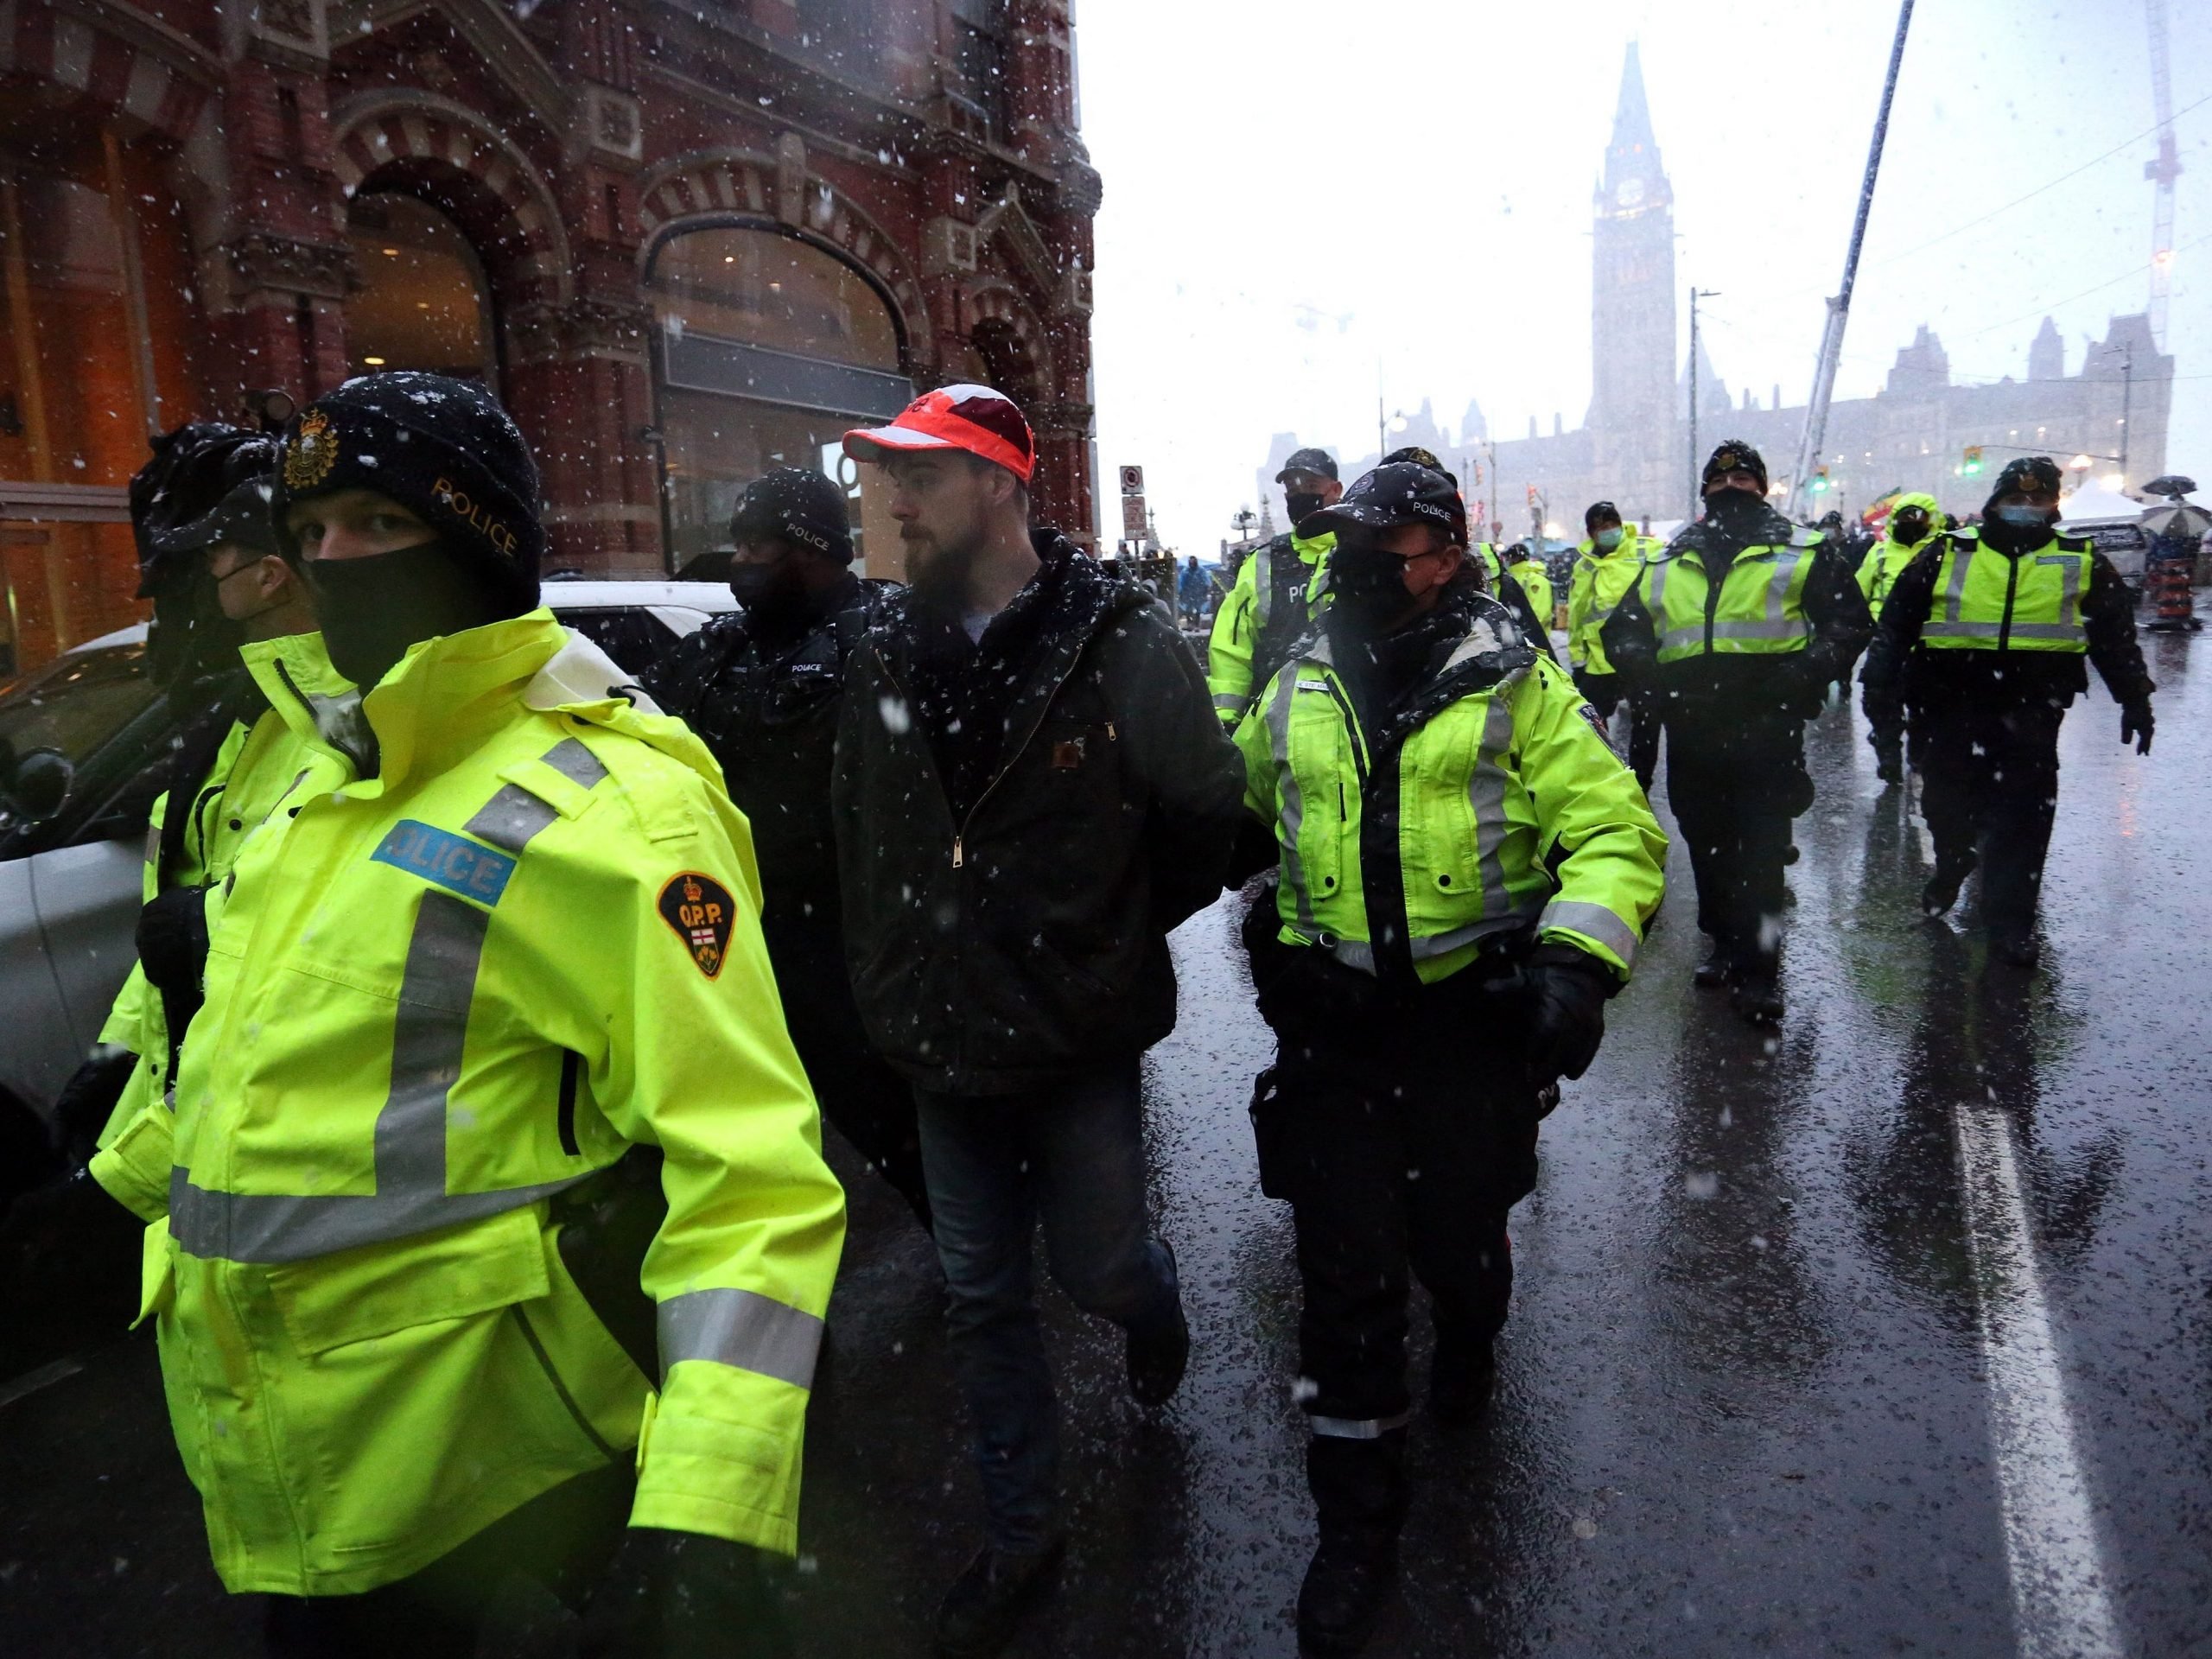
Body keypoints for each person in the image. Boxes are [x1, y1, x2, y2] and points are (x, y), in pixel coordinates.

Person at [139, 372, 846, 1656]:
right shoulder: (319, 757)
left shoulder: (611, 806)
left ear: (477, 539)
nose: (332, 559)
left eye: (377, 521)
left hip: (489, 1458)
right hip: (284, 1444)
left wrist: (710, 1509)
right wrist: (126, 1147)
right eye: (310, 535)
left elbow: (750, 1178)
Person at [832, 384, 1243, 1657]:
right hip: (940, 1040)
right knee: (980, 1295)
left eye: (919, 475)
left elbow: (1215, 816)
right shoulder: (882, 641)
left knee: (1099, 1264)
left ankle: (1152, 1308)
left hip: (1074, 1038)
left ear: (1001, 486)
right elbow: (861, 824)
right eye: (883, 475)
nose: (890, 500)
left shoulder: (1113, 633)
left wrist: (1099, 934)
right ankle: (1023, 1533)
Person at [1234, 461, 1666, 1656]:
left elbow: (1615, 833)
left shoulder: (1514, 674)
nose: (1382, 565)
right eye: (1367, 544)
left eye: (1408, 546)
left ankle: (1472, 1327)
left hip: (1470, 1026)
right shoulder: (1302, 671)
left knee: (1458, 1245)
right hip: (1333, 1030)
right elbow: (1248, 804)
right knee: (1347, 1285)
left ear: (1450, 555)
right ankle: (1358, 1528)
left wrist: (1574, 967)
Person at [3, 425, 337, 1338]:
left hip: (319, 1248)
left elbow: (282, 1026)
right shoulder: (232, 734)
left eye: (197, 570)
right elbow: (173, 963)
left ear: (268, 573)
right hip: (221, 1231)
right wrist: (111, 1070)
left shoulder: (349, 738)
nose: (176, 608)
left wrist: (116, 1189)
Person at [645, 468, 930, 1230]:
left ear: (811, 549)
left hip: (863, 938)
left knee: (892, 1124)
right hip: (739, 936)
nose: (742, 562)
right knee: (755, 1130)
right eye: (738, 544)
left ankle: (980, 1270)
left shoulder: (890, 632)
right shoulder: (720, 650)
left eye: (758, 545)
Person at [1602, 440, 1872, 1022]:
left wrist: (1800, 675)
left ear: (1762, 488)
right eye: (1720, 486)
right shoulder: (1667, 559)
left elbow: (1849, 624)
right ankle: (1723, 942)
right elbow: (1623, 631)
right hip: (1694, 730)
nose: (1730, 494)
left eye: (1741, 484)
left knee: (1761, 851)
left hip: (1766, 729)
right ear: (1705, 493)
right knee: (1705, 844)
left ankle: (1760, 970)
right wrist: (1652, 681)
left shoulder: (1805, 551)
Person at [1862, 455, 2154, 964]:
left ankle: (2011, 924)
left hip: (2033, 715)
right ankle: (1953, 863)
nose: (2026, 508)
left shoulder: (2080, 559)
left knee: (2024, 820)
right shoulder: (1947, 554)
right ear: (1994, 503)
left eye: (2037, 500)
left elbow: (2115, 639)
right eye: (2015, 499)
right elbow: (1896, 626)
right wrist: (1880, 685)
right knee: (1945, 808)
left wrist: (2135, 698)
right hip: (1948, 707)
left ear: (2053, 506)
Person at [1208, 445, 1341, 725]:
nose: (1300, 495)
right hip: (1274, 724)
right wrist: (1227, 720)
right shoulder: (1262, 563)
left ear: (1336, 489)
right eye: (1293, 490)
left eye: (1311, 485)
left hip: (1350, 723)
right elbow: (1232, 647)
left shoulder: (1360, 552)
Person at [1566, 500, 1661, 788]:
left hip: (1641, 655)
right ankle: (1604, 773)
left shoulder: (1647, 551)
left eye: (1612, 525)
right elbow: (1578, 616)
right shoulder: (1584, 566)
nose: (1608, 531)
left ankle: (1640, 780)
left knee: (1647, 720)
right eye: (1601, 527)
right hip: (1599, 658)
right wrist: (1577, 661)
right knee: (1589, 721)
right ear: (1591, 533)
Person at [1853, 491, 1942, 783]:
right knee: (1878, 698)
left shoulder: (1944, 553)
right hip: (1887, 638)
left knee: (1926, 705)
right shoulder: (1878, 552)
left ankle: (1920, 754)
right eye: (1906, 516)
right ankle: (1887, 747)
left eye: (1919, 516)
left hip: (1930, 643)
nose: (1911, 522)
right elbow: (1858, 592)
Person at [1503, 542, 1554, 633]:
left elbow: (1540, 613)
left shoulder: (1536, 580)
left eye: (1508, 558)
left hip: (1535, 640)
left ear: (1515, 559)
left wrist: (1526, 632)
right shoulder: (1511, 578)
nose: (1506, 562)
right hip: (1520, 637)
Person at [1177, 553, 1210, 626]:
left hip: (1199, 593)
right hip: (1188, 593)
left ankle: (1197, 625)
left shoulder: (1201, 570)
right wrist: (1181, 593)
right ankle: (1190, 624)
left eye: (1193, 561)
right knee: (1188, 609)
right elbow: (1181, 583)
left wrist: (1205, 591)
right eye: (1190, 562)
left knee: (1198, 609)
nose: (1192, 564)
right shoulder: (1185, 571)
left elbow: (1206, 581)